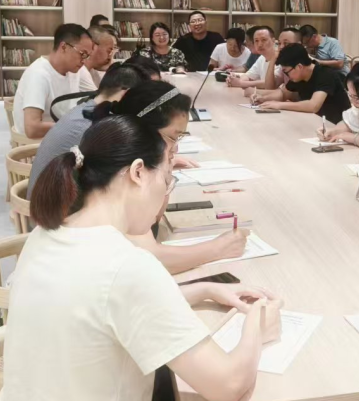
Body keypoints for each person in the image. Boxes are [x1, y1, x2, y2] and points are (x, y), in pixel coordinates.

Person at [0, 115, 323, 401]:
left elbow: (100, 306)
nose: (164, 195)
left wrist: (204, 289)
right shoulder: (126, 264)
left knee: (168, 379)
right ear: (138, 172)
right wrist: (256, 325)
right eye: (167, 179)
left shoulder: (47, 234)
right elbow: (228, 386)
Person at [94, 82, 265, 274]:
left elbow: (154, 221)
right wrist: (219, 248)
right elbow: (146, 257)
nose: (176, 148)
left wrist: (163, 168)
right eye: (173, 137)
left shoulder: (119, 152)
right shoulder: (122, 173)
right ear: (142, 130)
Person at [30, 62, 146, 185]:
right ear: (126, 94)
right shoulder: (96, 127)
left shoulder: (84, 109)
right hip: (52, 195)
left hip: (42, 192)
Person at [12, 23, 93, 139]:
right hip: (39, 143)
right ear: (64, 47)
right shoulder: (39, 74)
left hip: (60, 134)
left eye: (87, 56)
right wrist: (72, 126)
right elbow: (32, 129)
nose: (84, 61)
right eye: (82, 54)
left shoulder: (74, 71)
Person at [257, 43, 351, 124]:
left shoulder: (325, 74)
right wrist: (263, 99)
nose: (286, 75)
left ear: (299, 67)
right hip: (315, 122)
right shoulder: (299, 76)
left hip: (336, 125)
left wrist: (280, 105)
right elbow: (283, 93)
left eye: (286, 71)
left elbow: (313, 106)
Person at [228, 26, 278, 91]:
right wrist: (236, 80)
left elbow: (271, 83)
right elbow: (248, 75)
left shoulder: (280, 58)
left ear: (273, 41)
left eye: (264, 40)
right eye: (256, 41)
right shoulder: (262, 58)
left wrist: (240, 83)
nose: (259, 44)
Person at [76, 25, 118, 92]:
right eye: (109, 50)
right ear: (93, 47)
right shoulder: (81, 71)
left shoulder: (92, 71)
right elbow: (99, 98)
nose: (110, 55)